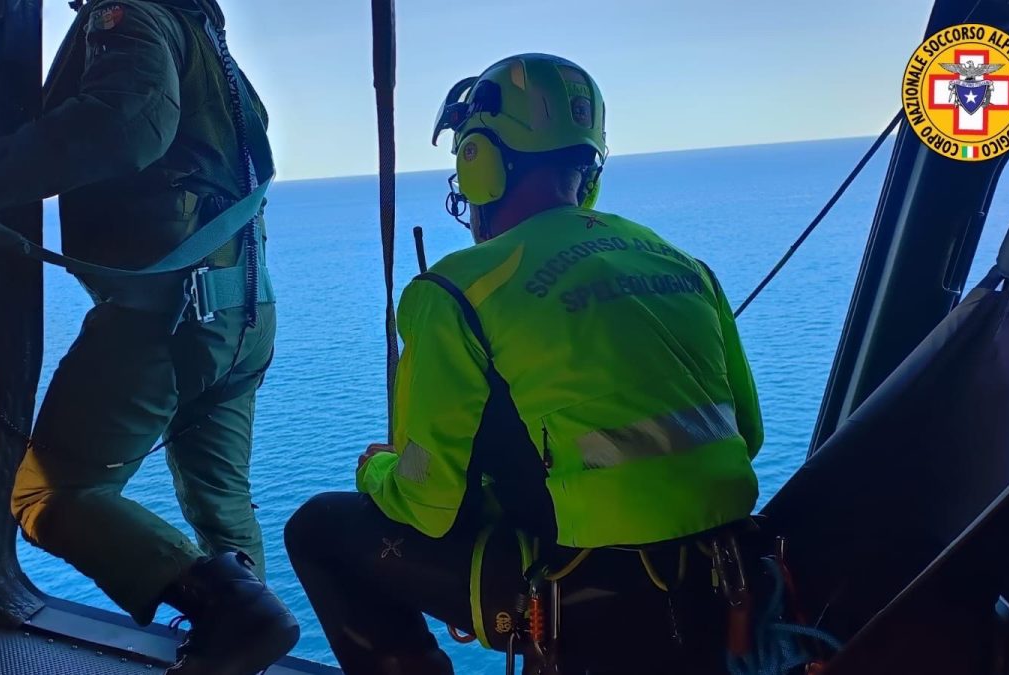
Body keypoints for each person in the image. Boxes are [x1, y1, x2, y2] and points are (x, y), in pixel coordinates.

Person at [285, 53, 764, 675]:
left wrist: (378, 472)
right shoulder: (682, 263)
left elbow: (428, 501)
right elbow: (746, 437)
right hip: (723, 575)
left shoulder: (458, 289)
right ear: (587, 169)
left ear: (478, 163)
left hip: (585, 590)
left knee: (319, 531)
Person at [0, 1, 298, 672]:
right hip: (242, 314)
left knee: (49, 492)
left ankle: (232, 613)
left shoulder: (131, 15)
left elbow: (126, 123)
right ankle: (241, 640)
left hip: (166, 318)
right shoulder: (205, 39)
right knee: (219, 507)